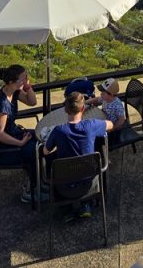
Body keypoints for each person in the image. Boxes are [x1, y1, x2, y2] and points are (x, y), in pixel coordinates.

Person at [43, 91, 113, 220]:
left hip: (63, 186)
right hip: (89, 184)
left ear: (65, 110)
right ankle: (86, 204)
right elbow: (110, 125)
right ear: (83, 108)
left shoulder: (58, 131)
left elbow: (45, 152)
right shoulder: (90, 125)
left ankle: (66, 208)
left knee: (52, 161)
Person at [0, 64, 40, 202]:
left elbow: (32, 102)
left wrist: (28, 87)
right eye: (23, 79)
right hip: (5, 149)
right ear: (11, 82)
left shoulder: (13, 92)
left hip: (14, 134)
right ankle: (31, 190)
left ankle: (39, 181)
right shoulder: (2, 104)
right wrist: (20, 143)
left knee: (41, 136)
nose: (26, 80)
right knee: (35, 150)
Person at [87, 78, 126, 146]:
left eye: (103, 93)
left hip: (112, 130)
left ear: (110, 94)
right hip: (104, 120)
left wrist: (113, 128)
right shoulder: (105, 98)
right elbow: (96, 99)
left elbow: (121, 120)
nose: (101, 94)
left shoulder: (117, 105)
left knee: (92, 133)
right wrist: (85, 102)